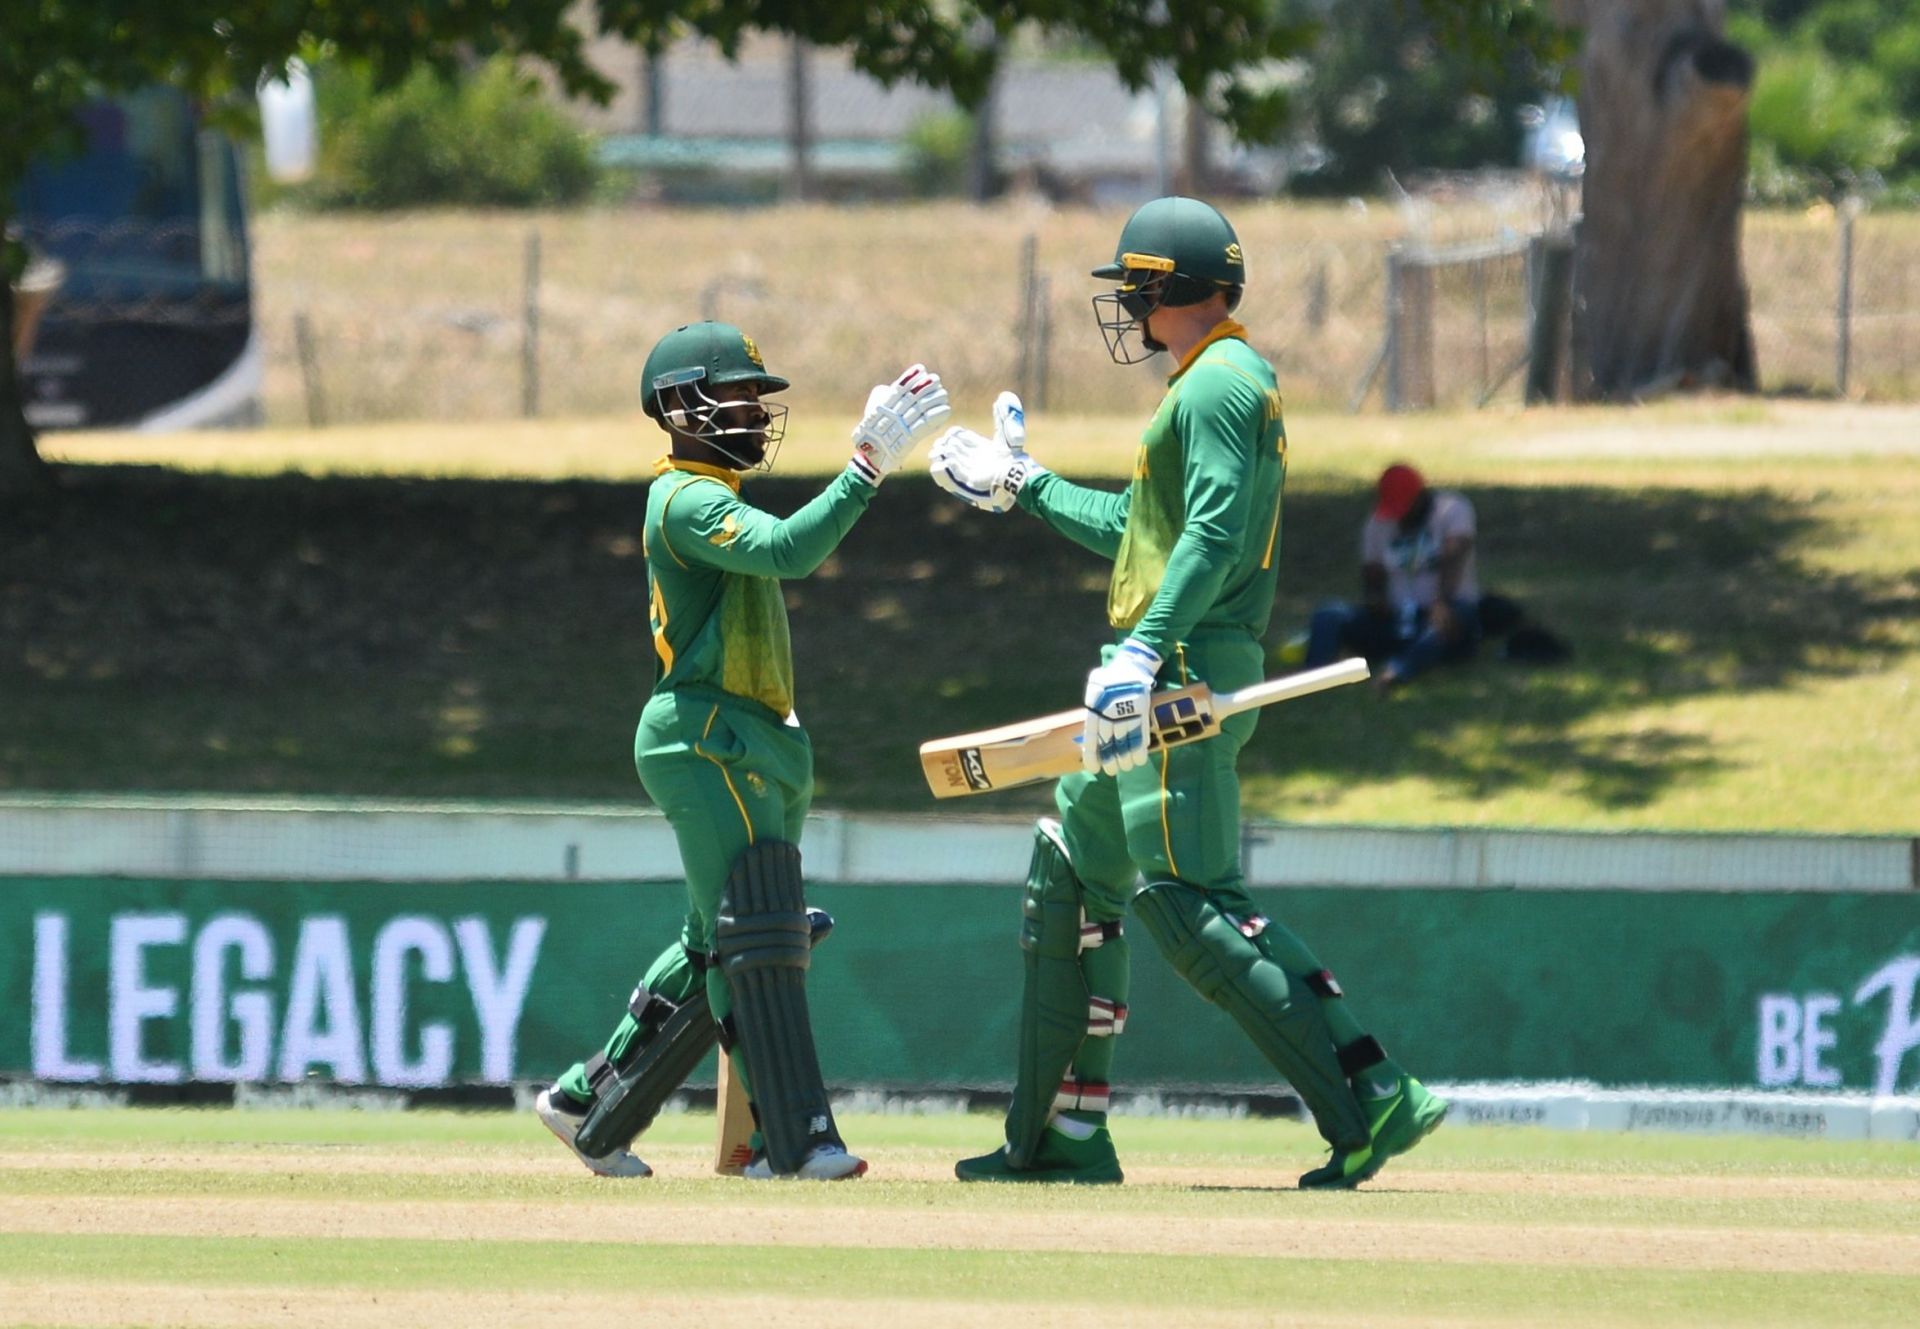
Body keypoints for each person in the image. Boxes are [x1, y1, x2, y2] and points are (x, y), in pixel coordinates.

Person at [928, 197, 1445, 1188]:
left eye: (1133, 285)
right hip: (1169, 655)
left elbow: (1207, 538)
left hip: (1181, 664)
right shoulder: (1216, 380)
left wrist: (1142, 653)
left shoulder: (1216, 386)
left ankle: (1372, 1096)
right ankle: (1059, 1137)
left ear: (1168, 287)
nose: (1124, 304)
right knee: (1073, 869)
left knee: (1188, 899)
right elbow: (1143, 528)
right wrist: (1025, 483)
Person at [535, 321, 948, 1181]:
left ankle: (583, 1101)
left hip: (745, 734)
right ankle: (787, 1141)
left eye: (761, 399)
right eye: (739, 395)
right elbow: (788, 550)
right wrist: (865, 466)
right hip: (703, 736)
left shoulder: (714, 492)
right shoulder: (685, 497)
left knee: (708, 943)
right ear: (682, 406)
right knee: (753, 935)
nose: (756, 413)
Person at [1303, 464, 1481, 691]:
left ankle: (1398, 671)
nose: (1401, 517)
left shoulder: (1453, 508)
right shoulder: (1377, 521)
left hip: (1443, 614)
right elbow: (1372, 572)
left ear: (1420, 497)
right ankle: (1314, 678)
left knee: (1449, 621)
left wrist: (1442, 601)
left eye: (1405, 508)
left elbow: (1455, 556)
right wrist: (1376, 599)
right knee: (1329, 614)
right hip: (1395, 618)